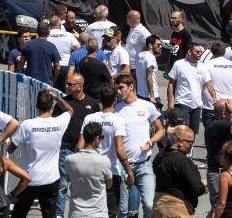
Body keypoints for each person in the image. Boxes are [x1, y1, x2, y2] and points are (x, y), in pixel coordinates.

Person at [8, 89, 73, 218]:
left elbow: (11, 149)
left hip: (30, 179)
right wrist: (57, 97)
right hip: (51, 179)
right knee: (49, 215)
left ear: (37, 106)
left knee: (18, 214)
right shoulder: (59, 123)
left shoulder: (27, 125)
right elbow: (69, 110)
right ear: (52, 107)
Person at [78, 86, 135, 218]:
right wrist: (129, 171)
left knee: (90, 209)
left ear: (100, 100)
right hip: (111, 171)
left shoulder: (89, 118)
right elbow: (120, 150)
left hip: (89, 169)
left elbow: (80, 146)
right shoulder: (118, 120)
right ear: (115, 100)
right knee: (110, 212)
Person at [114, 74, 165, 218]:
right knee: (123, 210)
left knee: (149, 205)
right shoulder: (117, 109)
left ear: (131, 87)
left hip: (144, 164)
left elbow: (161, 131)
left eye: (121, 88)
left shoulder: (147, 106)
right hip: (123, 166)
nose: (118, 91)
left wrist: (151, 141)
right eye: (116, 88)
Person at [54, 74, 102, 218]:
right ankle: (58, 214)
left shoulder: (92, 104)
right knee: (62, 185)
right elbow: (55, 124)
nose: (66, 86)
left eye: (70, 84)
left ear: (80, 86)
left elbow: (97, 127)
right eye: (67, 83)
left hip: (85, 152)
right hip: (66, 149)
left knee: (83, 185)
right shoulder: (62, 104)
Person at [152, 125, 206, 218]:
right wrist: (203, 184)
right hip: (177, 210)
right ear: (181, 141)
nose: (192, 145)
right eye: (191, 142)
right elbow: (197, 188)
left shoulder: (159, 156)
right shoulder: (184, 161)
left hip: (158, 208)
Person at [205, 100, 232, 212]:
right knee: (219, 209)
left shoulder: (219, 125)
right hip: (217, 174)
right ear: (224, 113)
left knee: (216, 209)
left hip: (222, 172)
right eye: (230, 112)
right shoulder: (217, 125)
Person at [65, 122, 114, 218]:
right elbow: (108, 185)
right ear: (96, 138)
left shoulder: (70, 159)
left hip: (77, 213)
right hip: (98, 213)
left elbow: (68, 179)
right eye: (101, 138)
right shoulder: (104, 161)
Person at [167, 42, 215, 133]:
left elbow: (208, 84)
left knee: (193, 133)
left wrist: (213, 95)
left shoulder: (203, 66)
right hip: (182, 103)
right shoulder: (179, 64)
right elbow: (171, 84)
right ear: (189, 52)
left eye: (201, 52)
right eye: (197, 52)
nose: (200, 53)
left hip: (197, 105)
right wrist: (170, 101)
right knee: (183, 132)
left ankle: (190, 147)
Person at [202, 41, 232, 129]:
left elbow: (202, 83)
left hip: (211, 105)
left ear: (212, 52)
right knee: (226, 132)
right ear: (225, 52)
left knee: (210, 133)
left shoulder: (206, 65)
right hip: (227, 105)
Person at [19, 20, 62, 86]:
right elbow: (57, 68)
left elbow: (20, 66)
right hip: (46, 83)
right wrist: (52, 82)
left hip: (30, 82)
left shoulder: (28, 45)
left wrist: (24, 81)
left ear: (37, 32)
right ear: (48, 32)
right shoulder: (51, 47)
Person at [49, 14, 82, 91]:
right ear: (60, 25)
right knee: (65, 92)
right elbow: (79, 49)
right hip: (66, 67)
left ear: (50, 25)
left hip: (50, 67)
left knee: (50, 92)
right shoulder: (69, 35)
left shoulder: (45, 35)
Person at [137, 34, 163, 109]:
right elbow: (149, 77)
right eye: (158, 45)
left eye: (160, 45)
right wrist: (152, 96)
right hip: (150, 97)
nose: (160, 47)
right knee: (157, 120)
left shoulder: (141, 54)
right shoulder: (150, 57)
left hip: (141, 94)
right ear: (150, 45)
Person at [125, 11, 151, 79]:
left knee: (137, 87)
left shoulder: (142, 31)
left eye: (126, 17)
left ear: (131, 19)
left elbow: (152, 44)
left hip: (136, 67)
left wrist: (144, 53)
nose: (126, 19)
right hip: (130, 66)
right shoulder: (132, 29)